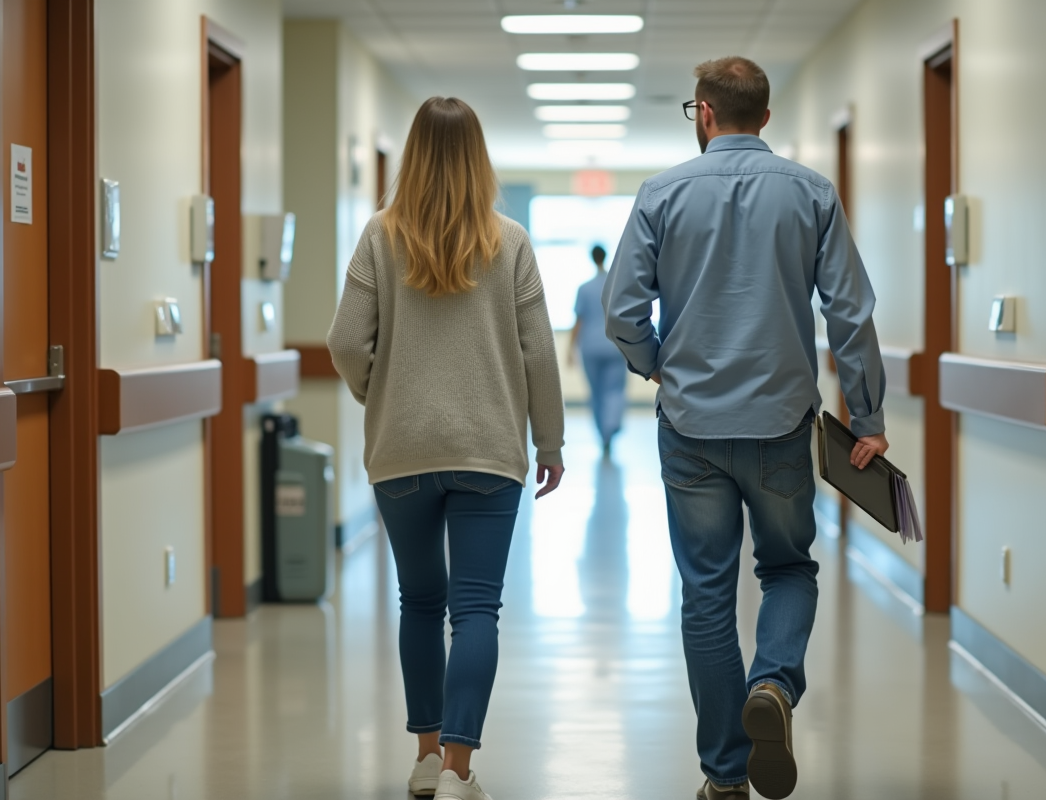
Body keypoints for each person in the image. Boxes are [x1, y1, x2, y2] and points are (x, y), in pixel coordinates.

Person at [603, 56, 889, 800]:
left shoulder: (661, 194)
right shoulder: (811, 193)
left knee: (705, 594)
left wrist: (655, 366)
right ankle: (773, 686)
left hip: (692, 427)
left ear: (703, 113)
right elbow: (851, 313)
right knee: (788, 568)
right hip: (780, 426)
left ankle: (725, 776)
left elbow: (621, 311)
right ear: (763, 117)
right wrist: (869, 413)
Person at [327, 96, 565, 800]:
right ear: (478, 159)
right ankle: (461, 768)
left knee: (419, 601)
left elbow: (344, 342)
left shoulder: (379, 234)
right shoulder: (510, 240)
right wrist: (548, 440)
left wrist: (382, 393)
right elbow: (540, 355)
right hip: (490, 452)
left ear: (413, 157)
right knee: (476, 609)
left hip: (401, 452)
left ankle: (427, 756)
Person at [570, 244, 628, 455]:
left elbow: (579, 321)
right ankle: (610, 427)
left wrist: (570, 349)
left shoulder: (584, 288)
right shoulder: (616, 286)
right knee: (614, 390)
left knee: (596, 393)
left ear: (592, 259)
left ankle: (602, 434)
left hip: (591, 348)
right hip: (615, 346)